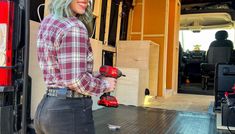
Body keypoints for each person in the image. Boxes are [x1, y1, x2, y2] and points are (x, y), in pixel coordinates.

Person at [34, 0, 117, 134]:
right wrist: (105, 85)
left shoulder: (48, 21)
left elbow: (61, 71)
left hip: (47, 109)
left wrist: (95, 77)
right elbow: (75, 80)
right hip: (69, 112)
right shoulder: (73, 27)